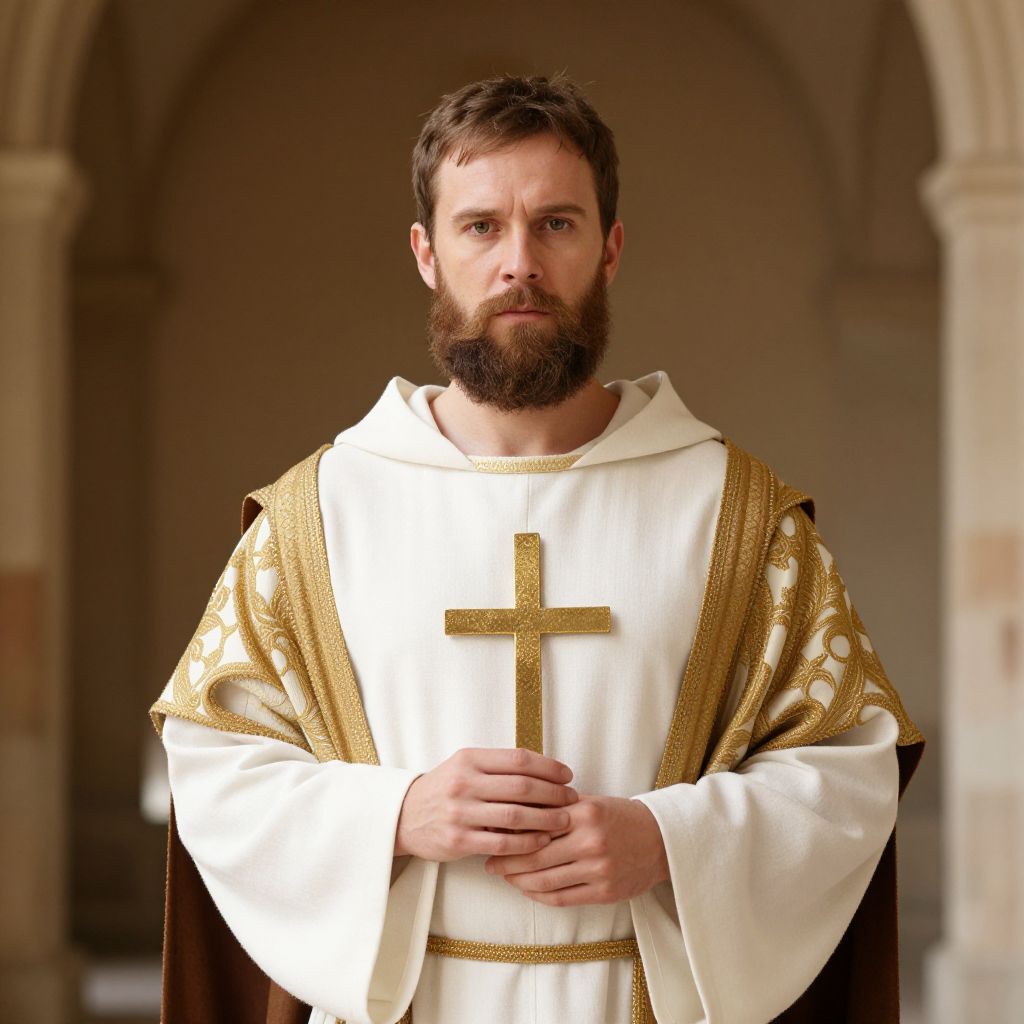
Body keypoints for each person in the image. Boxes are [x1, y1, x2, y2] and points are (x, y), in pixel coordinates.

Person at [150, 73, 925, 1024]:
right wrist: (394, 816)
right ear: (427, 254)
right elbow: (217, 764)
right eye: (482, 227)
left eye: (556, 224)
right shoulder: (314, 519)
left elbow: (848, 765)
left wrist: (668, 840)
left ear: (610, 249)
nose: (519, 262)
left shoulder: (740, 518)